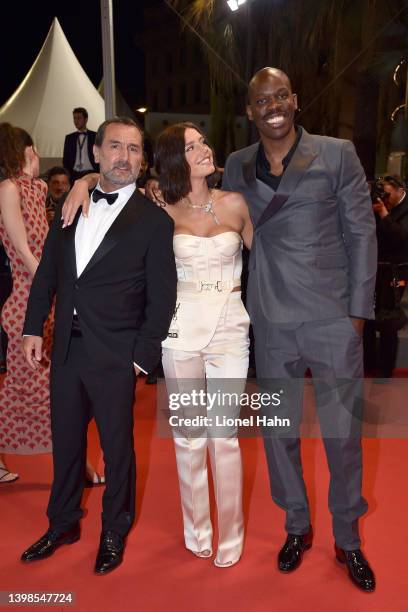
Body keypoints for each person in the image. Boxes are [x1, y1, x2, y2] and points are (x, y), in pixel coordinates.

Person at [61, 121, 253, 568]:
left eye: (204, 140)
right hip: (180, 333)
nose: (204, 148)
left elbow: (266, 263)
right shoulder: (158, 208)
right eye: (191, 146)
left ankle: (232, 533)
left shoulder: (237, 205)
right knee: (188, 439)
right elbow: (112, 181)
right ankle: (197, 529)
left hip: (230, 332)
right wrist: (83, 182)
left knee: (223, 438)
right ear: (172, 159)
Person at [222, 68, 377, 591]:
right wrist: (90, 178)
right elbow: (196, 209)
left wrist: (356, 313)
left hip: (332, 318)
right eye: (261, 100)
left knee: (343, 435)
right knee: (278, 434)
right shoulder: (236, 166)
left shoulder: (337, 153)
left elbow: (361, 233)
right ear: (250, 111)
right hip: (270, 322)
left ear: (296, 99)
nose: (273, 106)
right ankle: (296, 526)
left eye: (281, 95)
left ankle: (348, 538)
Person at [21, 117, 176, 575]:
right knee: (66, 443)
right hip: (67, 348)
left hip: (116, 353)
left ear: (141, 158)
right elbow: (48, 270)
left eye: (133, 149)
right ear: (96, 154)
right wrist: (33, 328)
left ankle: (114, 530)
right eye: (115, 147)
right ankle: (62, 523)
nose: (124, 157)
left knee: (118, 449)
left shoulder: (153, 221)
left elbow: (162, 296)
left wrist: (139, 358)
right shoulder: (70, 205)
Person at [0, 124, 103, 486]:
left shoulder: (39, 187)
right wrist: (55, 284)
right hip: (27, 303)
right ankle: (78, 465)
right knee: (23, 389)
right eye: (31, 148)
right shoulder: (8, 190)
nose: (36, 154)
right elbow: (23, 249)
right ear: (21, 150)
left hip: (50, 298)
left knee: (54, 388)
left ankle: (76, 463)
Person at [364, 175, 408, 378]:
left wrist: (383, 213)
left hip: (396, 270)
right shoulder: (377, 206)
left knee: (388, 319)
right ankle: (369, 362)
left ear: (401, 190)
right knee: (367, 317)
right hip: (374, 268)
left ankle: (385, 371)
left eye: (388, 194)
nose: (385, 198)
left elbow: (400, 238)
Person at [62, 107, 98, 183]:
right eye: (74, 118)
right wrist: (68, 175)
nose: (76, 121)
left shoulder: (95, 136)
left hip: (92, 173)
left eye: (79, 118)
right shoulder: (69, 138)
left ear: (86, 119)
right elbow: (66, 159)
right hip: (74, 175)